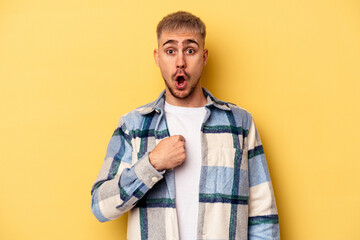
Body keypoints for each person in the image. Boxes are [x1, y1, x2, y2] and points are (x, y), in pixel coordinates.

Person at [91, 11, 279, 240]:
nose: (180, 62)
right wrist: (152, 163)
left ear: (204, 57)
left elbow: (263, 216)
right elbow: (101, 205)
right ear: (157, 57)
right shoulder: (133, 126)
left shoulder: (239, 123)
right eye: (170, 51)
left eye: (190, 50)